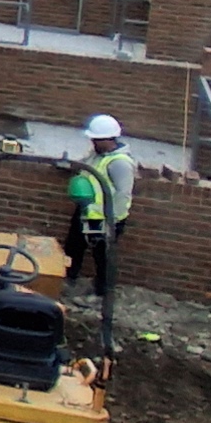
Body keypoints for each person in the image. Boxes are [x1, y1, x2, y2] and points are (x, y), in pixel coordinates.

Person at [65, 113, 135, 298]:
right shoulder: (97, 154)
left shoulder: (119, 163)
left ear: (108, 139)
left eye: (96, 139)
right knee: (74, 247)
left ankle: (103, 292)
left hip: (104, 218)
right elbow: (85, 166)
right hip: (87, 211)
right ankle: (68, 278)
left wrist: (112, 222)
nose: (93, 143)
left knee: (101, 256)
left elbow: (123, 193)